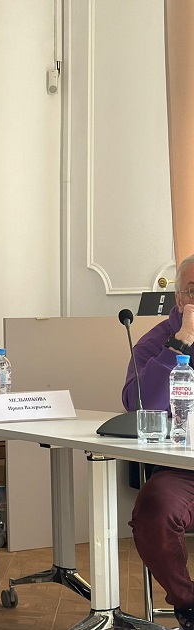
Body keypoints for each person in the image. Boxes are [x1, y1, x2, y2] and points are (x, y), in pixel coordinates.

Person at [125, 253, 194, 630]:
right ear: (179, 298)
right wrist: (178, 346)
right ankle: (188, 604)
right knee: (155, 511)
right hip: (181, 468)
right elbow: (139, 406)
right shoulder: (155, 343)